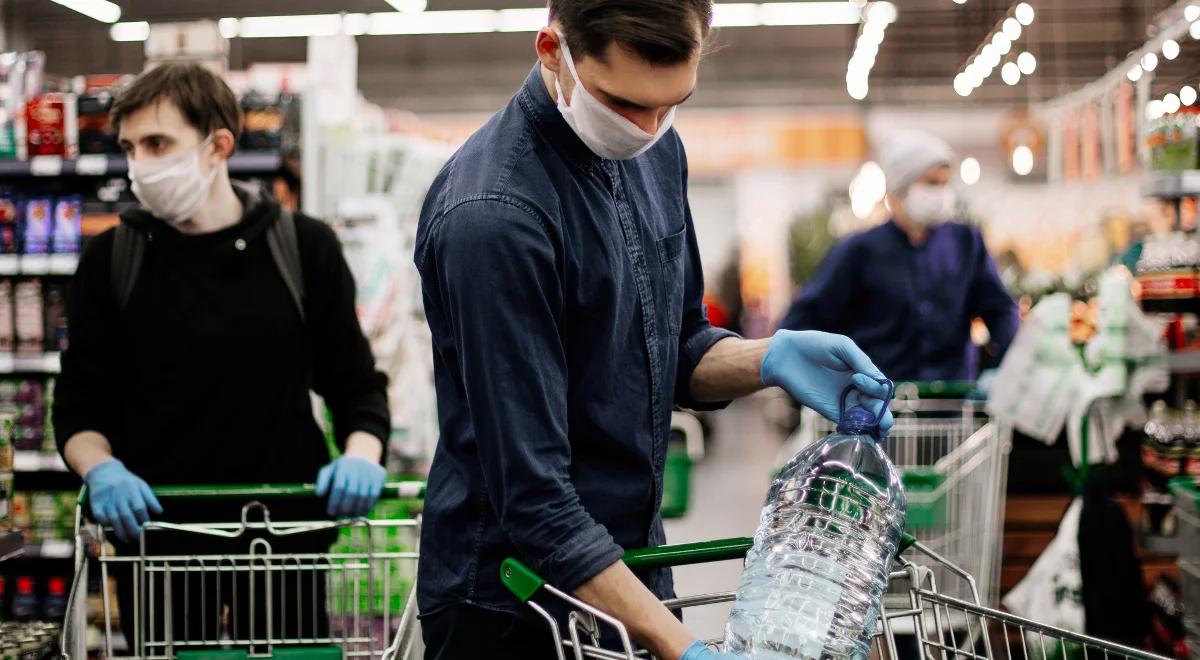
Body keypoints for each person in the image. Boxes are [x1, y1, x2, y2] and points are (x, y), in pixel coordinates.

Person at [414, 2, 894, 659]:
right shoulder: (493, 219)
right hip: (512, 606)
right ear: (552, 50)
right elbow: (535, 503)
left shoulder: (657, 152)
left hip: (629, 571)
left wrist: (769, 360)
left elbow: (678, 347)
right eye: (623, 104)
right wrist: (683, 646)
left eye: (673, 103)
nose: (648, 127)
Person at [52, 63, 390, 646]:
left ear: (219, 146)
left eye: (159, 143)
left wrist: (362, 454)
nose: (140, 165)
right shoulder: (112, 260)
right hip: (158, 542)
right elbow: (79, 408)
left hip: (283, 538)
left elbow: (357, 386)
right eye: (131, 147)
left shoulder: (302, 247)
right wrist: (101, 468)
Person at [779, 130, 1019, 382]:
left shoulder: (966, 244)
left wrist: (1002, 368)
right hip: (877, 402)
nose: (940, 192)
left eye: (945, 183)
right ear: (899, 190)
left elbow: (1000, 308)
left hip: (951, 403)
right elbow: (803, 319)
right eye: (930, 183)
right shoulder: (858, 251)